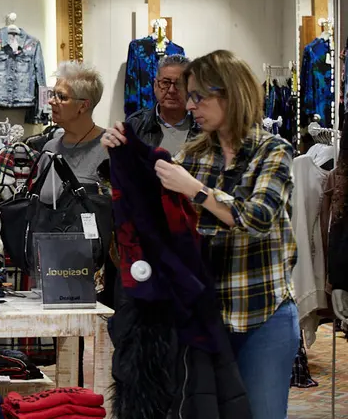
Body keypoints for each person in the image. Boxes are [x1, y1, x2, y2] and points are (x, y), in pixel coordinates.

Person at [103, 50, 299, 418]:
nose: (190, 105)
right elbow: (156, 206)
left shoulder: (274, 152)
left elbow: (257, 218)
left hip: (263, 317)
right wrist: (122, 151)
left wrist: (196, 190)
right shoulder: (196, 154)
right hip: (206, 319)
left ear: (230, 94)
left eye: (198, 96)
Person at [37, 61, 107, 204]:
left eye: (61, 97)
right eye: (53, 94)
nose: (51, 101)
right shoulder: (49, 150)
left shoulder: (109, 149)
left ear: (83, 106)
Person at [126, 54, 200, 153]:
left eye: (179, 83)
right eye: (165, 83)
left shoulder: (202, 126)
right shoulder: (135, 125)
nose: (172, 90)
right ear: (155, 85)